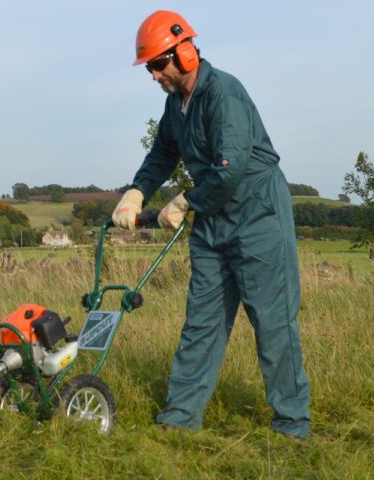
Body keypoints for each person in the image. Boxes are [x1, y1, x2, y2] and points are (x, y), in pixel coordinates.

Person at [112, 10, 311, 438]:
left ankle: (292, 424)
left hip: (258, 215)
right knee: (201, 322)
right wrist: (137, 191)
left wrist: (184, 200)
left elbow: (232, 166)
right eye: (148, 67)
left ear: (183, 53)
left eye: (157, 65)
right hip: (213, 222)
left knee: (272, 322)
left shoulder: (224, 92)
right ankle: (180, 420)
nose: (153, 75)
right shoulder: (175, 105)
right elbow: (163, 154)